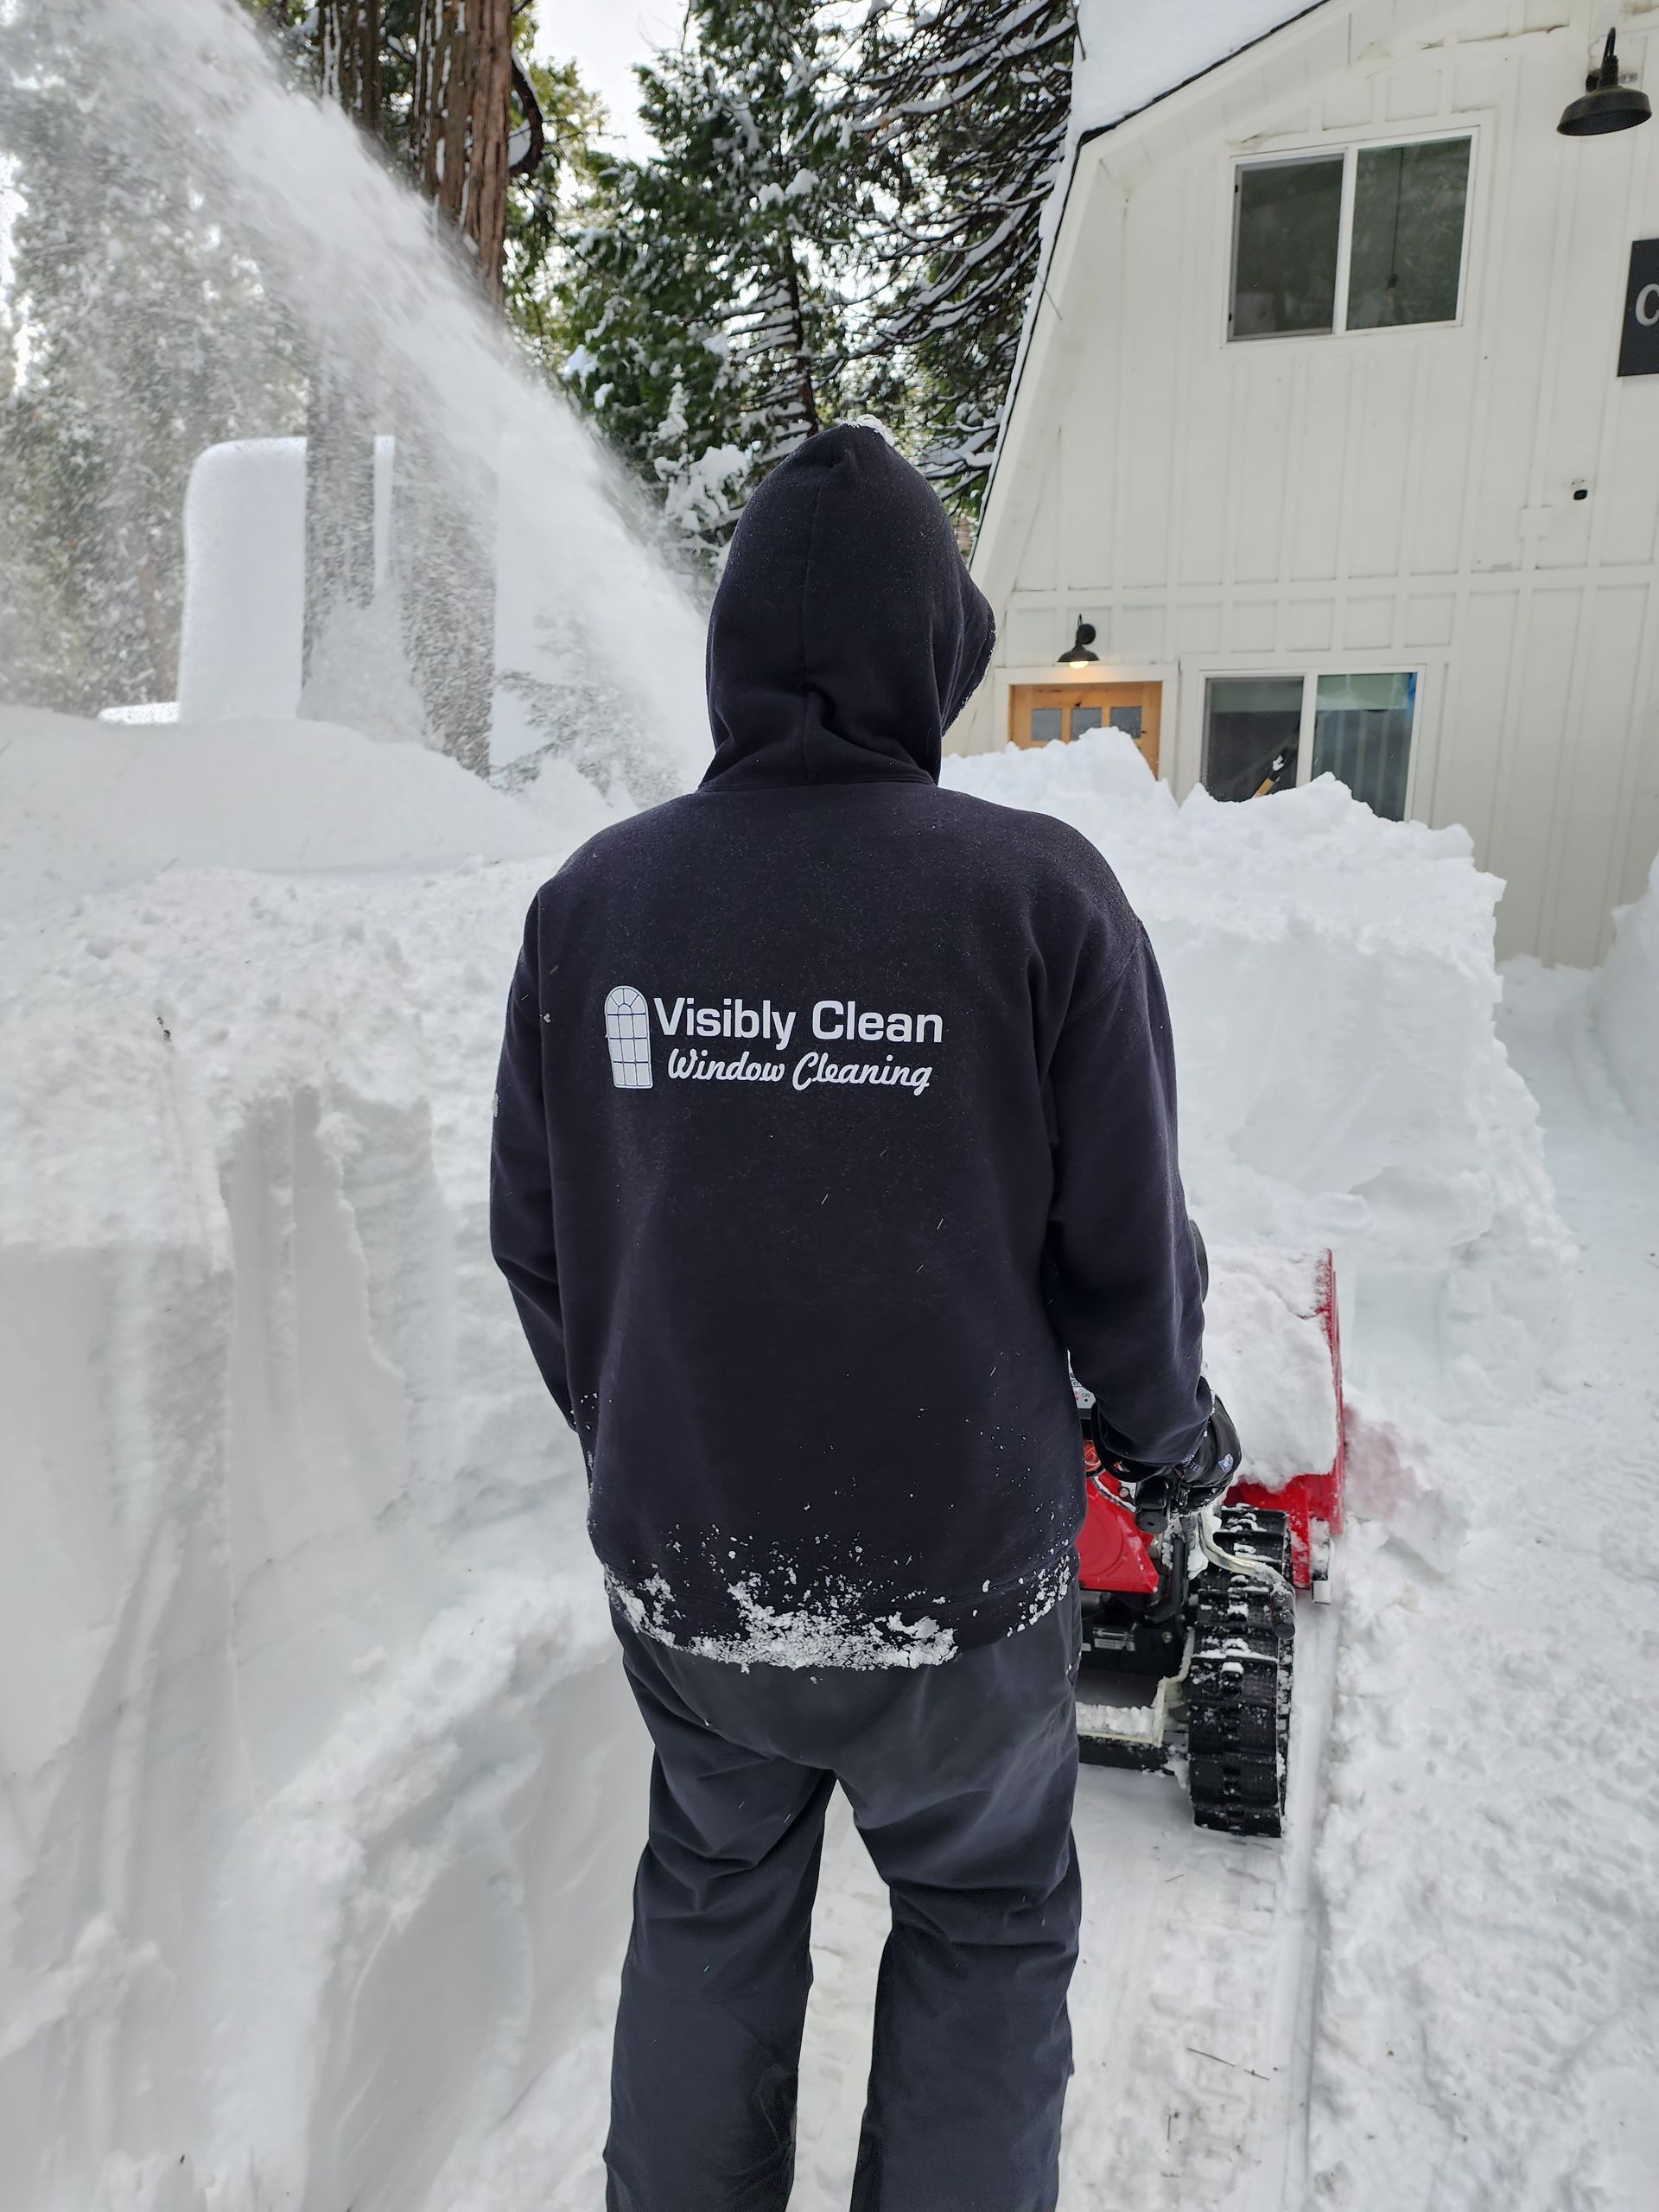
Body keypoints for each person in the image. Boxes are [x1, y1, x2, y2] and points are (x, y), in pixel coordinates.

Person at [490, 424, 1226, 2212]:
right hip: (959, 1588)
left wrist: (644, 1431)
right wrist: (1166, 1434)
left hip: (696, 1578)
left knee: (713, 1903)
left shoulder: (595, 906)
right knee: (979, 1920)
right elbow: (1123, 1245)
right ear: (931, 655)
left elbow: (539, 1239)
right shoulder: (1040, 900)